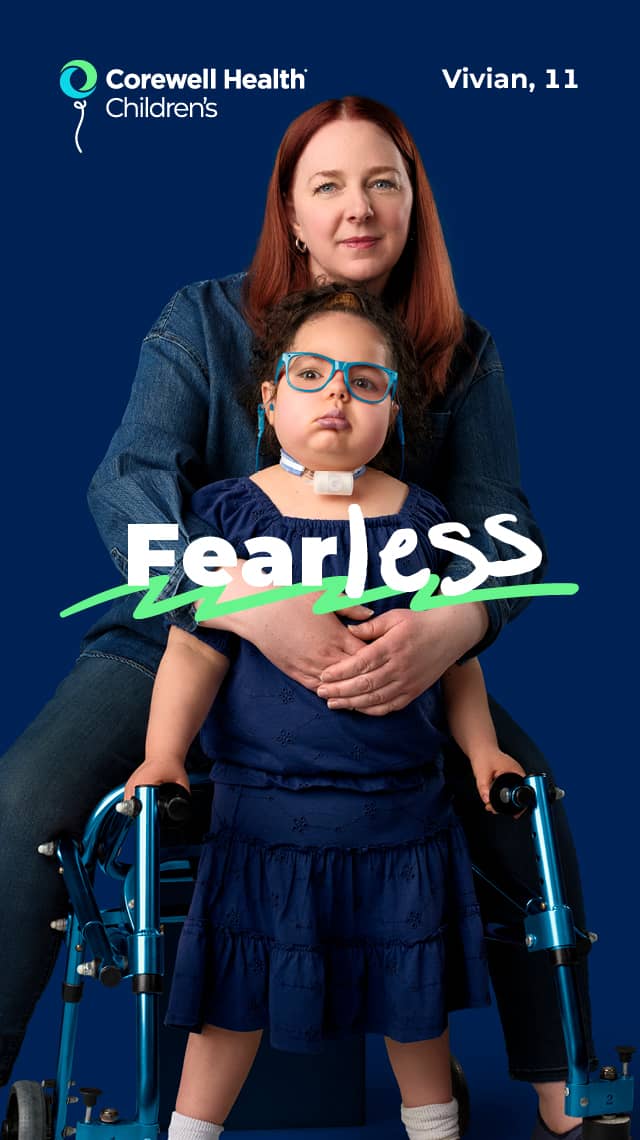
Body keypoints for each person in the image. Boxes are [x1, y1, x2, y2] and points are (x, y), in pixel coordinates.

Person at [0, 96, 591, 1140]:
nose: (357, 208)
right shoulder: (202, 319)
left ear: (414, 205)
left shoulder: (459, 349)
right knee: (25, 802)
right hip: (189, 633)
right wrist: (250, 603)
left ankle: (562, 1085)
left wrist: (455, 625)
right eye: (328, 184)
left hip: (386, 652)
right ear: (291, 210)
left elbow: (503, 522)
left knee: (520, 802)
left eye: (383, 183)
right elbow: (128, 482)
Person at [123, 282, 527, 1140]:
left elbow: (453, 660)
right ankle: (190, 1132)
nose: (337, 393)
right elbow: (194, 648)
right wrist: (163, 755)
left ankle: (435, 1126)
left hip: (399, 817)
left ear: (396, 417)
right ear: (268, 399)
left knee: (413, 1007)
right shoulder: (232, 517)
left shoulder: (422, 524)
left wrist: (485, 753)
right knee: (231, 1006)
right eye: (312, 373)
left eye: (365, 381)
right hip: (265, 816)